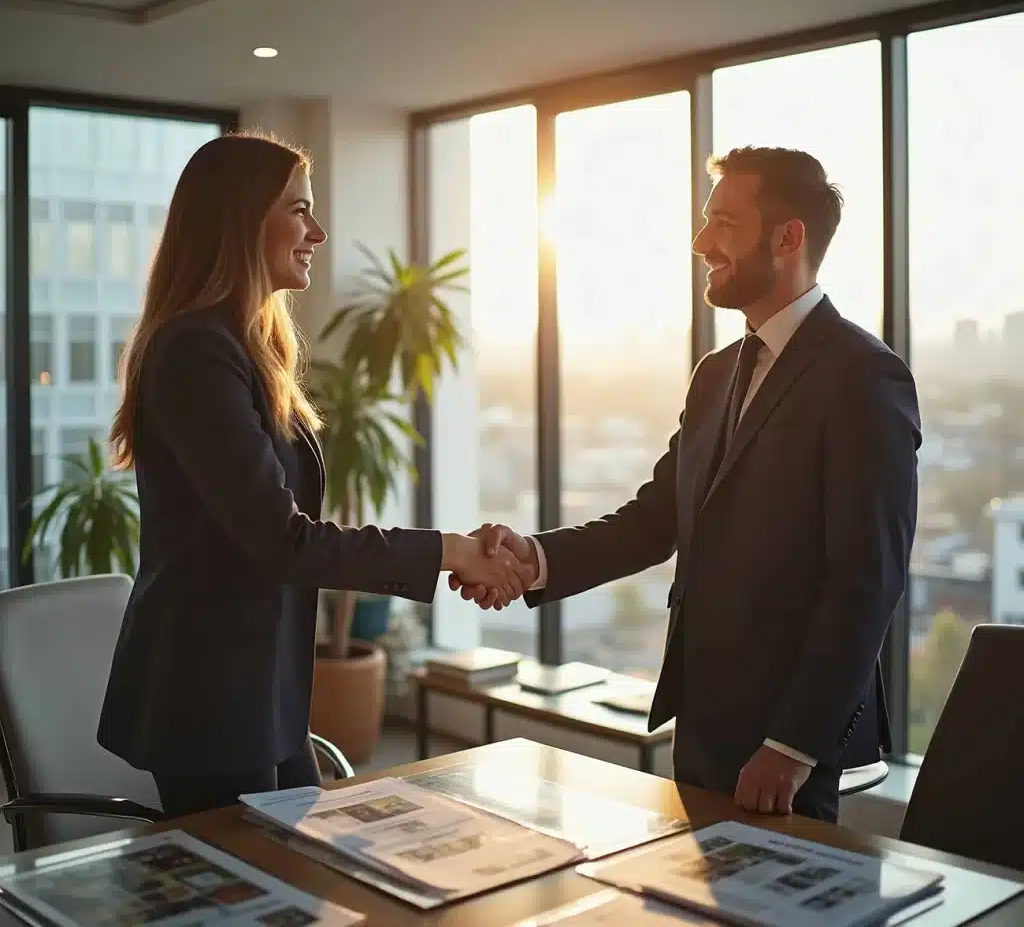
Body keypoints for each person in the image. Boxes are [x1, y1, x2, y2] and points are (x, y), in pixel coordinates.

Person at [454, 147, 921, 823]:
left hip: (785, 744)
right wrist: (536, 559)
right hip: (701, 723)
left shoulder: (863, 376)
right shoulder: (716, 371)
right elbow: (655, 520)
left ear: (788, 237)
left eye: (724, 223)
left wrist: (792, 746)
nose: (703, 243)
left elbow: (866, 580)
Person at [97, 131, 530, 818]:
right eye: (299, 210)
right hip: (210, 698)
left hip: (259, 689)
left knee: (301, 869)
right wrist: (452, 550)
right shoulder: (195, 353)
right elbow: (285, 541)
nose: (317, 231)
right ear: (241, 221)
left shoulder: (243, 347)